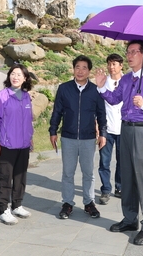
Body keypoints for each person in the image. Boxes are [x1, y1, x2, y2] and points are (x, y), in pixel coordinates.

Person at [95, 40, 143, 246]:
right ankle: (129, 219)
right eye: (128, 52)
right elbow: (114, 99)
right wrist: (101, 88)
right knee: (126, 177)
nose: (130, 55)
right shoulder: (126, 79)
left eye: (134, 52)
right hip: (125, 129)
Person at [49, 55, 107, 220]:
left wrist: (103, 133)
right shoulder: (64, 88)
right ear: (73, 69)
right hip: (68, 138)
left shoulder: (96, 90)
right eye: (77, 67)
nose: (80, 71)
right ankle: (67, 203)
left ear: (89, 71)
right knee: (68, 173)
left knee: (88, 173)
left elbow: (101, 114)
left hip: (89, 139)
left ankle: (89, 203)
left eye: (84, 68)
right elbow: (57, 112)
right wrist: (53, 131)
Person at [0, 63, 35, 225]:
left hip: (23, 145)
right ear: (9, 76)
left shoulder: (26, 96)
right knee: (5, 178)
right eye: (13, 74)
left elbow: (28, 120)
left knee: (20, 177)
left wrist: (30, 138)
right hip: (6, 145)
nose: (15, 77)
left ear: (25, 78)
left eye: (19, 75)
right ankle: (3, 209)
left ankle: (17, 205)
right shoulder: (2, 96)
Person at [98, 53, 124, 205]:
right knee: (104, 161)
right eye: (109, 64)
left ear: (121, 66)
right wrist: (97, 127)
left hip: (124, 128)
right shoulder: (102, 82)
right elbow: (97, 106)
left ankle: (119, 187)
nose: (111, 67)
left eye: (114, 64)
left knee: (122, 161)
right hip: (106, 128)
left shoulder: (128, 82)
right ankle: (105, 189)